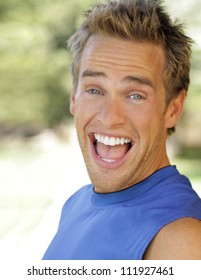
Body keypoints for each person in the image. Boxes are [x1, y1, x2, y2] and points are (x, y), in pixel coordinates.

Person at [43, 0, 201, 260]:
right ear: (74, 97)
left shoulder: (181, 240)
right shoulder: (76, 203)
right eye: (94, 90)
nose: (109, 118)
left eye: (136, 95)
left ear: (173, 108)